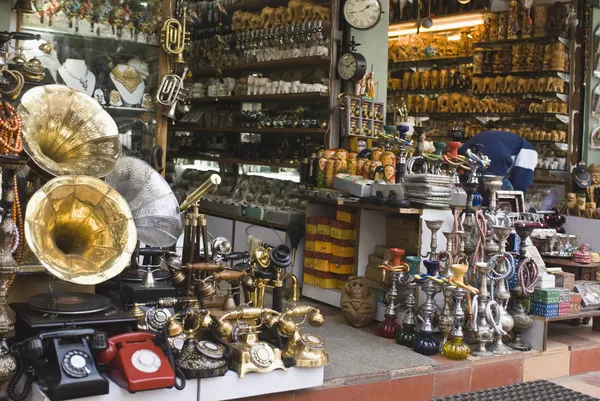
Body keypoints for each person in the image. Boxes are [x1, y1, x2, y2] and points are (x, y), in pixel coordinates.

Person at [459, 130, 537, 193]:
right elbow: (521, 182)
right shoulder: (531, 152)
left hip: (465, 153)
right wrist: (520, 206)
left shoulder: (512, 141)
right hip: (490, 160)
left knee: (467, 192)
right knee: (506, 198)